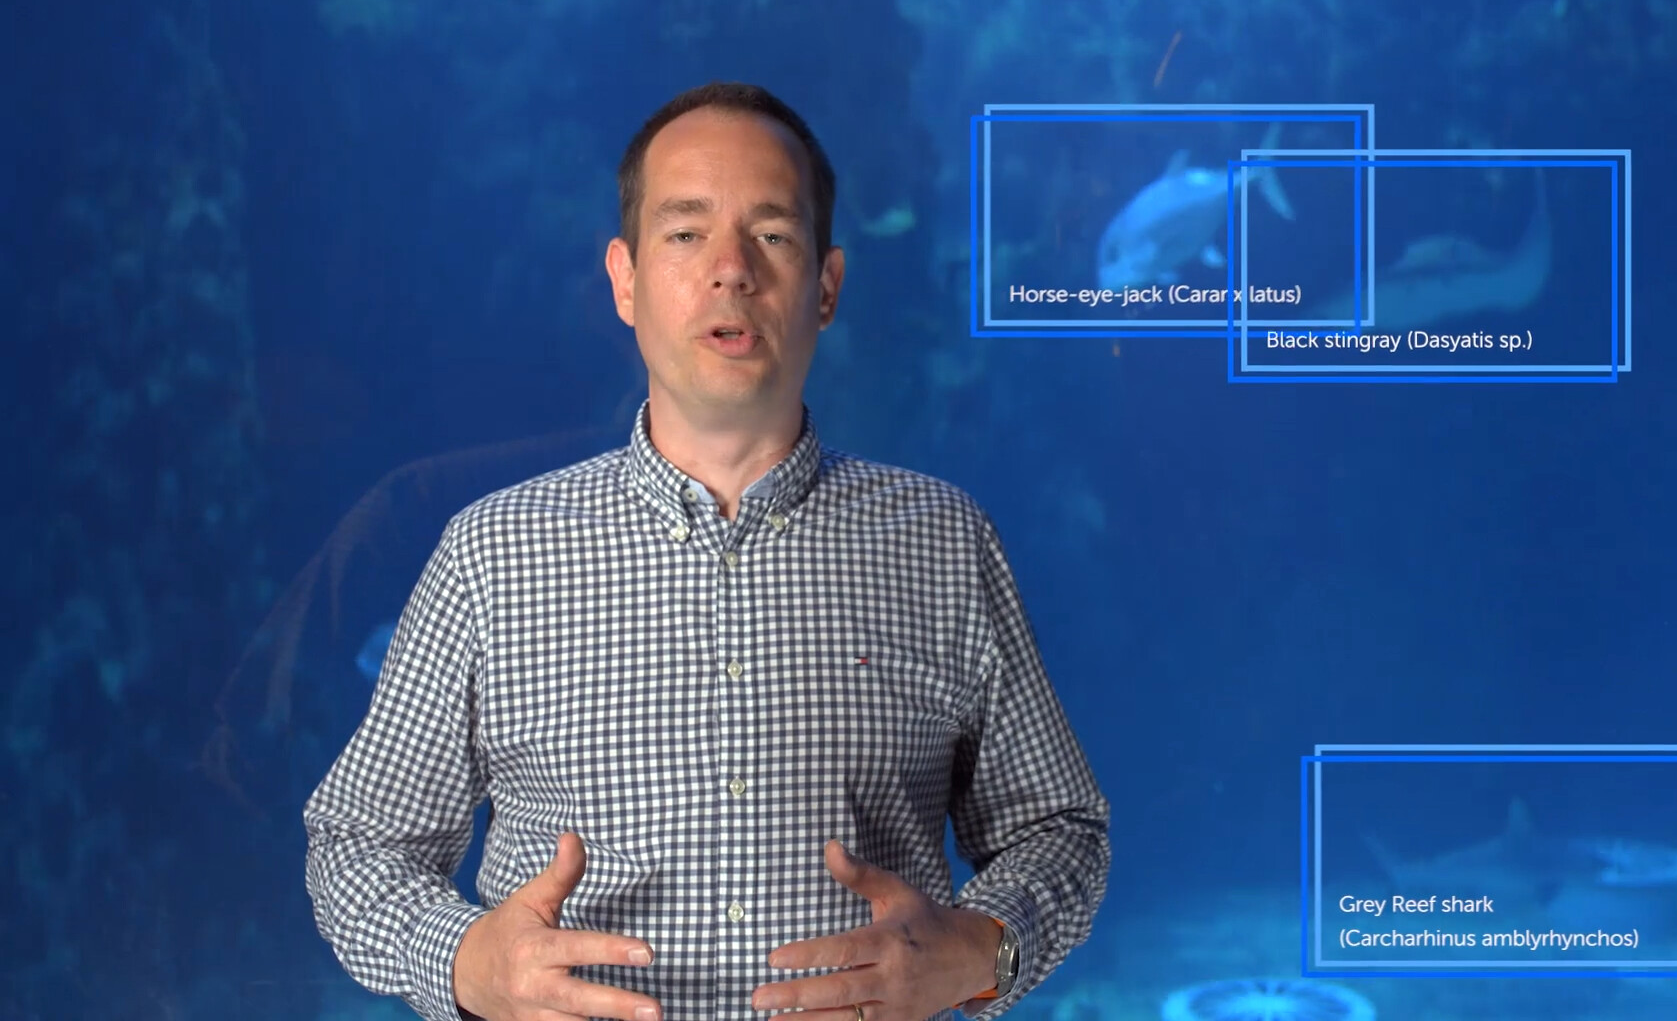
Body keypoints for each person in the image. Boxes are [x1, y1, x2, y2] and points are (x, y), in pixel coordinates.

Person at [303, 81, 1111, 1021]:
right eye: (686, 233)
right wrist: (466, 962)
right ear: (624, 280)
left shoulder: (943, 542)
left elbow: (1060, 828)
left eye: (773, 234)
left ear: (827, 286)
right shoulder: (492, 553)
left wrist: (978, 950)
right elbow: (357, 845)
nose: (732, 270)